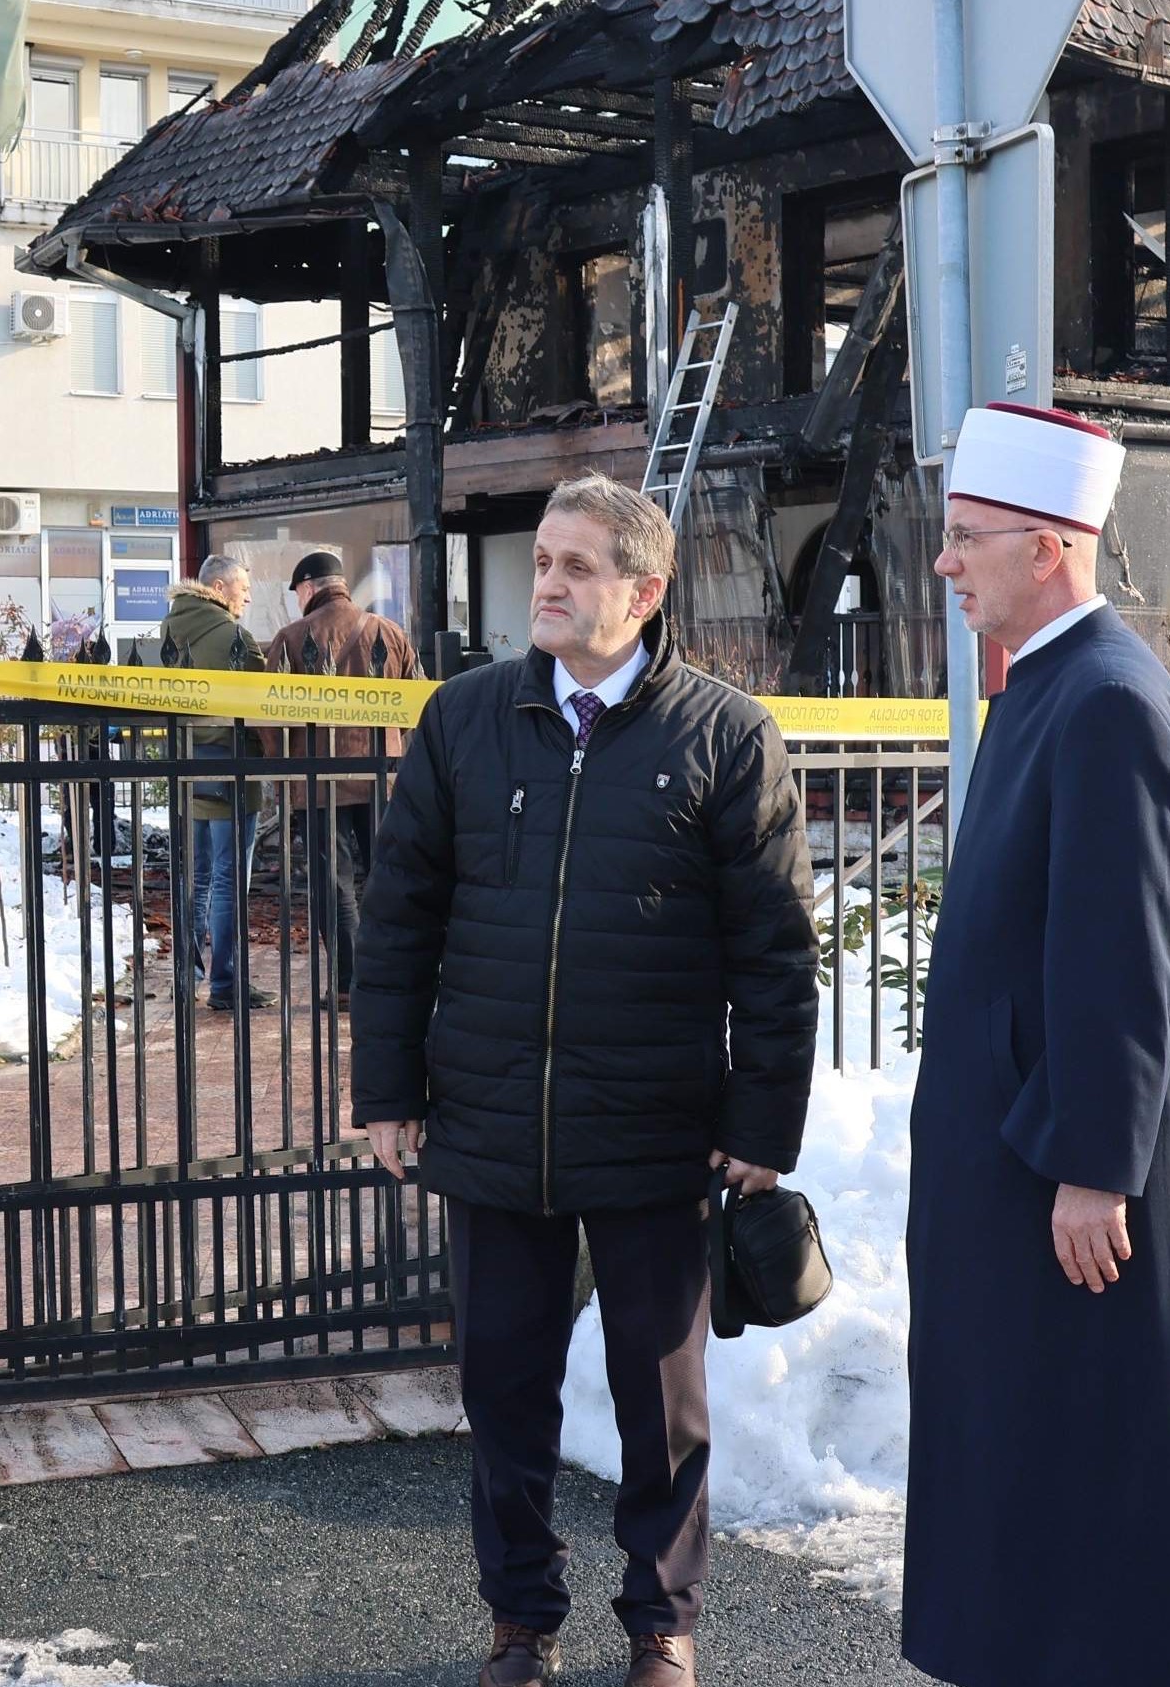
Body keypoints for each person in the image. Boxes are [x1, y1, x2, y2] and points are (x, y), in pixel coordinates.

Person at [349, 473, 818, 1687]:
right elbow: (400, 919)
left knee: (662, 1408)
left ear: (644, 591)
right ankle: (520, 1620)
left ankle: (662, 1624)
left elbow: (774, 951)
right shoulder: (464, 720)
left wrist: (763, 1123)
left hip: (656, 1129)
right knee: (504, 1392)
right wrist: (387, 1090)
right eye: (543, 562)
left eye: (574, 566)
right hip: (495, 1123)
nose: (545, 584)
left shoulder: (725, 736)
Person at [901, 404, 1170, 1686]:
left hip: (1066, 1181)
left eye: (967, 538)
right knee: (1025, 1443)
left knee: (1081, 1451)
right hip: (1020, 1161)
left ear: (1048, 549)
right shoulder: (1050, 684)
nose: (946, 562)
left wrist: (1095, 1163)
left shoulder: (1101, 699)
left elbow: (1118, 956)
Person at [261, 551, 420, 1006]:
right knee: (385, 878)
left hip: (317, 782)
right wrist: (390, 748)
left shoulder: (291, 639)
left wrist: (285, 771)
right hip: (378, 777)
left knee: (333, 882)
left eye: (296, 593)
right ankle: (390, 978)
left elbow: (269, 719)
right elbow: (416, 704)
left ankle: (349, 982)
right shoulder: (389, 634)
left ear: (308, 588)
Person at [159, 557, 271, 1011]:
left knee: (197, 877)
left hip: (188, 769)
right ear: (220, 587)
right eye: (243, 588)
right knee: (229, 882)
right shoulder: (234, 637)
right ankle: (226, 984)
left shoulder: (168, 630)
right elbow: (266, 701)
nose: (247, 597)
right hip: (231, 767)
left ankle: (189, 978)